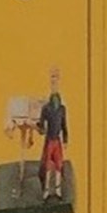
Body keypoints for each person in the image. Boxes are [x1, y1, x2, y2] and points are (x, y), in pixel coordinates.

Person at [37, 67, 69, 201]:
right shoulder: (46, 109)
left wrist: (66, 139)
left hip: (57, 140)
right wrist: (40, 129)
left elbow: (64, 125)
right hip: (49, 140)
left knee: (58, 165)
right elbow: (41, 124)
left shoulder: (62, 109)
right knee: (48, 166)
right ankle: (46, 191)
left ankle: (57, 189)